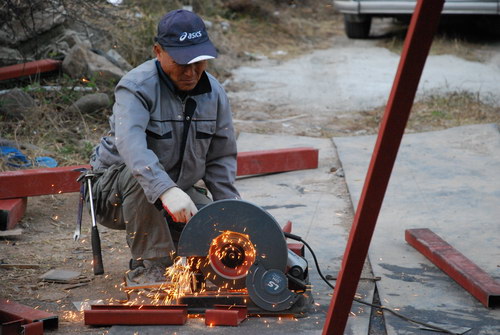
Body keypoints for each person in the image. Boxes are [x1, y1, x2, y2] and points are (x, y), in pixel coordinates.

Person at [85, 9, 240, 285]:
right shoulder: (135, 87)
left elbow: (221, 160)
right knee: (141, 174)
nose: (192, 72)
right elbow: (133, 149)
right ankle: (151, 267)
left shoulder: (215, 94)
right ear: (158, 51)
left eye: (199, 62)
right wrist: (166, 190)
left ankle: (178, 249)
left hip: (177, 193)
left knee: (216, 233)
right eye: (182, 63)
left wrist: (236, 216)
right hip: (113, 195)